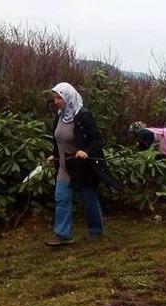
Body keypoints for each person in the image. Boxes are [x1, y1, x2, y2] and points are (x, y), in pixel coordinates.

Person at [45, 82, 106, 247]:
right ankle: (63, 235)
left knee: (89, 199)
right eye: (55, 98)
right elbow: (58, 140)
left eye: (59, 97)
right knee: (61, 198)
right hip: (65, 166)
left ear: (68, 98)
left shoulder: (83, 116)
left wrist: (86, 151)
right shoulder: (60, 116)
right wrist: (54, 155)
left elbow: (97, 140)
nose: (56, 101)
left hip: (83, 167)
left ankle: (96, 231)